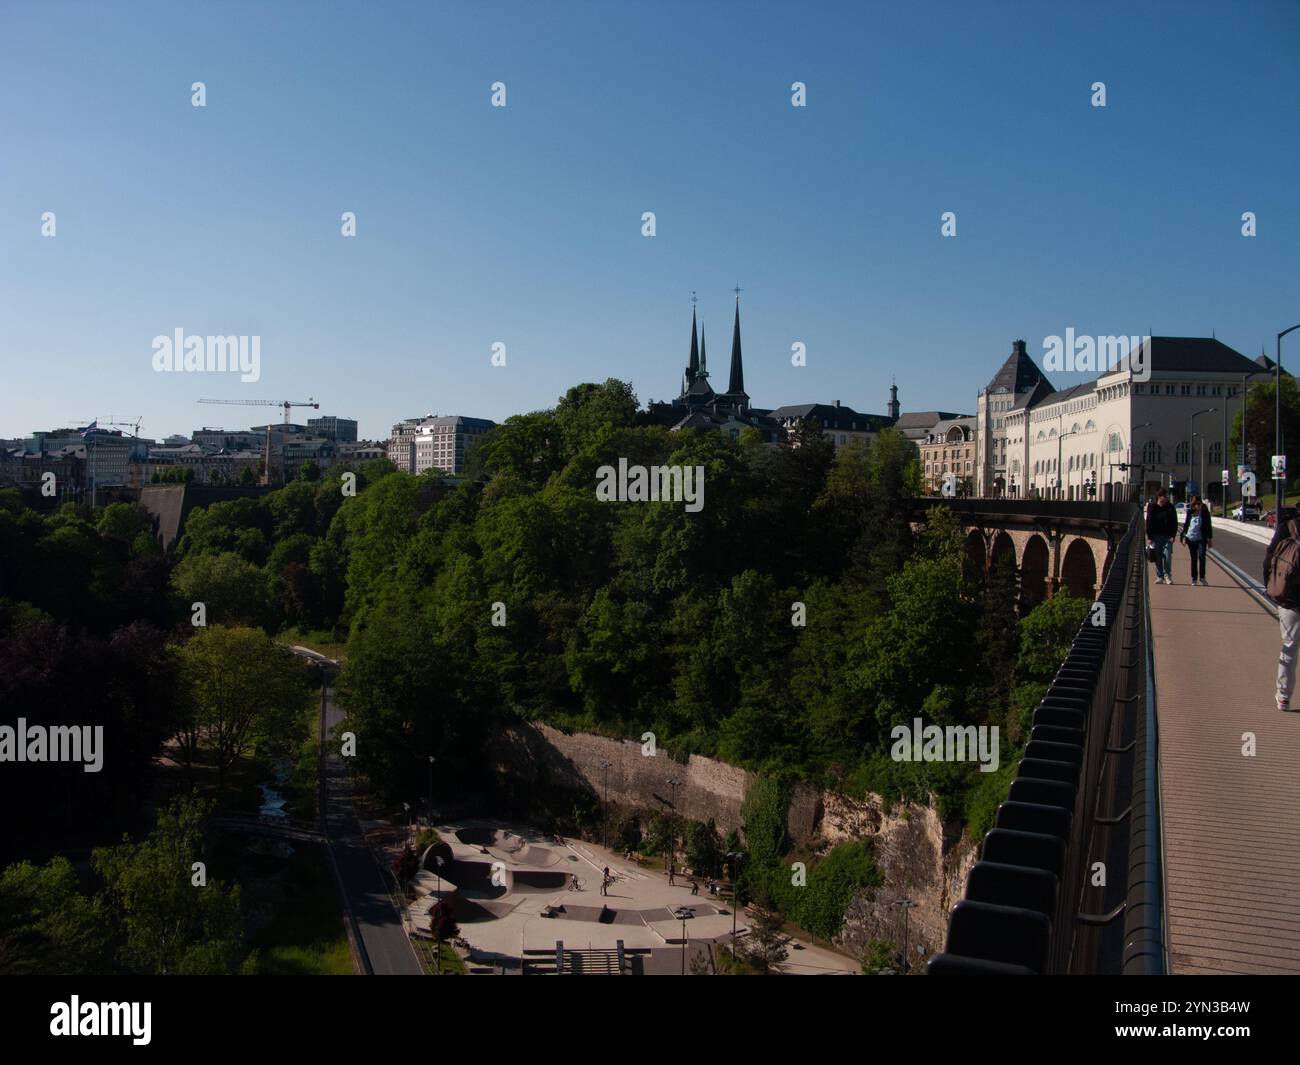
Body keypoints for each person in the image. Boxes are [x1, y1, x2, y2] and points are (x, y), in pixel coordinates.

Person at [1264, 506, 1300, 711]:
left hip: (1289, 597)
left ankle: (1284, 696)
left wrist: (1271, 587)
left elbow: (1269, 559)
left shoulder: (1287, 526)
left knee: (1290, 647)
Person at [1180, 494, 1213, 586]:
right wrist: (1183, 537)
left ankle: (1202, 577)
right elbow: (1186, 526)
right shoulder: (1190, 512)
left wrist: (1210, 539)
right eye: (1195, 504)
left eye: (1198, 504)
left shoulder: (1205, 513)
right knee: (1193, 558)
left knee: (1202, 557)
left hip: (1201, 538)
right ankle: (1194, 578)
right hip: (1191, 538)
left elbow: (1208, 526)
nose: (1196, 506)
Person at [1145, 489, 1177, 584]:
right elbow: (1149, 522)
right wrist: (1149, 537)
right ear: (1160, 496)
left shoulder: (1170, 507)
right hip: (1155, 536)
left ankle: (1167, 575)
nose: (1166, 498)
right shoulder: (1152, 507)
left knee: (1167, 556)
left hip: (1167, 536)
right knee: (1157, 557)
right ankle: (1160, 576)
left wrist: (1173, 535)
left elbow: (1174, 522)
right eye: (1165, 496)